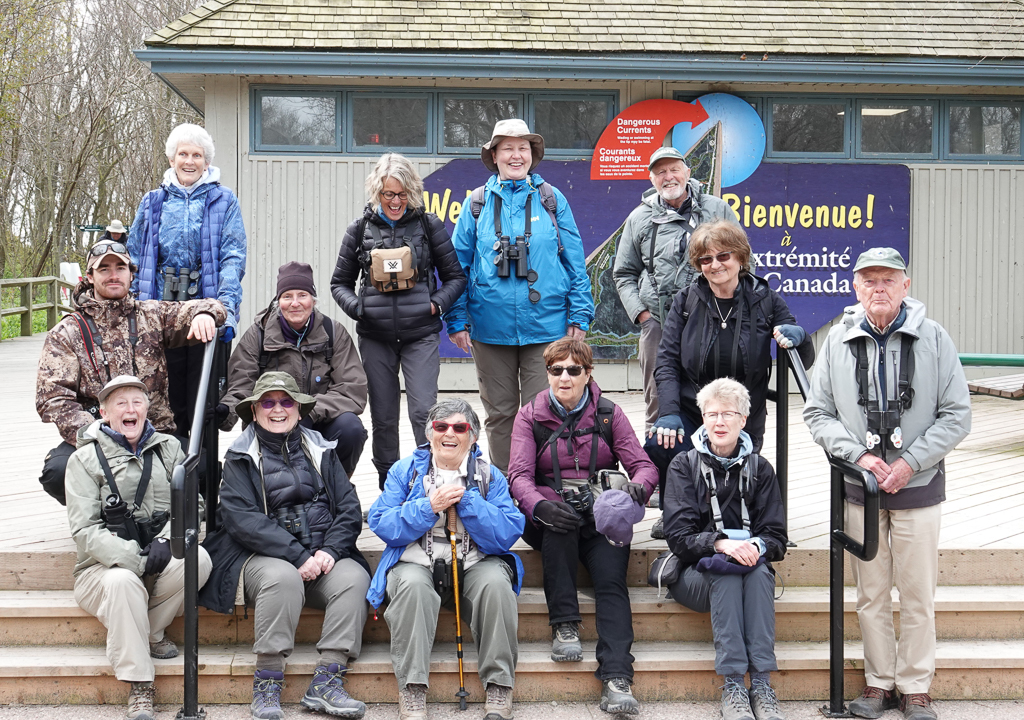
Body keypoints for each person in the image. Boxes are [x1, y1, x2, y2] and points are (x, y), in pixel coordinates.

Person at [804, 248, 971, 720]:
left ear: (905, 285)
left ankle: (916, 687)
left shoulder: (935, 338)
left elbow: (957, 414)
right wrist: (859, 457)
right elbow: (818, 412)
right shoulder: (837, 340)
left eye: (888, 280)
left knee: (918, 594)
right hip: (860, 488)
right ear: (855, 288)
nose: (879, 288)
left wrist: (910, 461)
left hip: (918, 487)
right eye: (869, 280)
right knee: (870, 594)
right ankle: (878, 683)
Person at [199, 372, 371, 720]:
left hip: (321, 552)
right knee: (284, 578)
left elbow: (350, 507)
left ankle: (328, 680)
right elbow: (242, 520)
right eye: (267, 402)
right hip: (260, 558)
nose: (277, 409)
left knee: (354, 577)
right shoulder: (239, 455)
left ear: (298, 408)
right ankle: (267, 680)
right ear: (254, 410)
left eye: (286, 401)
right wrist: (297, 556)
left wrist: (332, 550)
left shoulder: (321, 448)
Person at [507, 338, 657, 716]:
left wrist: (640, 487)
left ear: (588, 373)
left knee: (611, 582)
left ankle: (617, 677)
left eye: (574, 369)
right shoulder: (530, 415)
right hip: (550, 518)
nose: (565, 377)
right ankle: (565, 625)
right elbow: (518, 476)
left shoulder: (608, 413)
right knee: (560, 526)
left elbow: (644, 465)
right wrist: (540, 504)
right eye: (557, 370)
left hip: (601, 516)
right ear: (548, 374)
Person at [446, 119, 595, 474]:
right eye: (508, 148)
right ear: (494, 155)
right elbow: (456, 267)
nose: (516, 155)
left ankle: (542, 485)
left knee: (543, 410)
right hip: (489, 328)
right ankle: (505, 487)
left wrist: (580, 313)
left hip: (546, 328)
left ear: (532, 155)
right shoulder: (477, 204)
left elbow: (575, 260)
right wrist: (456, 319)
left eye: (523, 148)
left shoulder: (551, 200)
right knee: (500, 414)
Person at [648, 220, 814, 537]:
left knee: (731, 467)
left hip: (741, 413)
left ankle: (731, 516)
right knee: (662, 442)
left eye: (723, 256)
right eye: (706, 259)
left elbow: (802, 359)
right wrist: (668, 411)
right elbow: (666, 359)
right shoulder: (686, 301)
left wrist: (801, 337)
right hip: (691, 407)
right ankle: (675, 512)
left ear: (740, 257)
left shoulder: (766, 300)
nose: (715, 265)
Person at [366, 398, 525, 720]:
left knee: (496, 585)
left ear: (473, 437)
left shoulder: (489, 475)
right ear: (430, 434)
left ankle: (499, 686)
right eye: (441, 427)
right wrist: (428, 506)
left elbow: (508, 531)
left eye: (459, 427)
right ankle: (412, 689)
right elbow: (382, 523)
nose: (449, 433)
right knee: (411, 586)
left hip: (476, 562)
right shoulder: (406, 471)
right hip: (416, 562)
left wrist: (468, 502)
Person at [66, 375, 212, 720]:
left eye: (137, 402)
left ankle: (145, 632)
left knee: (199, 560)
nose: (129, 409)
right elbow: (85, 530)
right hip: (101, 570)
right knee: (123, 582)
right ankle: (140, 684)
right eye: (120, 403)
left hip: (161, 555)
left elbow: (195, 506)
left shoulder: (172, 449)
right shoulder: (84, 459)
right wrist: (134, 560)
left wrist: (166, 538)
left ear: (148, 408)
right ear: (103, 412)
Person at [36, 239, 225, 504]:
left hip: (154, 437)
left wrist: (204, 313)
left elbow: (213, 305)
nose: (114, 275)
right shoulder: (67, 333)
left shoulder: (152, 314)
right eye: (104, 269)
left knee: (209, 470)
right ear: (89, 276)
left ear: (131, 274)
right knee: (57, 473)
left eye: (120, 268)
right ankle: (106, 508)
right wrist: (98, 435)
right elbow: (52, 400)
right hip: (97, 440)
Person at [330, 153, 466, 487]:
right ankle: (388, 486)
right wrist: (358, 308)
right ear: (377, 191)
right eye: (389, 194)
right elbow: (338, 284)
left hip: (421, 334)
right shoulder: (359, 229)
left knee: (423, 412)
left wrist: (435, 305)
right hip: (375, 337)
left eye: (402, 194)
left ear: (412, 192)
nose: (395, 201)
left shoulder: (428, 226)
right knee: (384, 418)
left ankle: (427, 480)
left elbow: (455, 278)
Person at [662, 378, 788, 720]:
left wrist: (756, 546)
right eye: (711, 414)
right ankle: (734, 684)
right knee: (726, 575)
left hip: (749, 571)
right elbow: (679, 537)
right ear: (702, 418)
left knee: (760, 572)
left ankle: (761, 683)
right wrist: (721, 544)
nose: (719, 421)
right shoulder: (683, 466)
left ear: (743, 420)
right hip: (694, 576)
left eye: (728, 414)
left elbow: (776, 534)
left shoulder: (760, 468)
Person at [129, 122, 247, 435]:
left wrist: (225, 308)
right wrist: (131, 311)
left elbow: (232, 258)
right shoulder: (153, 202)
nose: (190, 161)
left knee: (203, 402)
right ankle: (167, 473)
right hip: (159, 313)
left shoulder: (224, 201)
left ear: (207, 162)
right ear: (172, 159)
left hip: (203, 311)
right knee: (162, 397)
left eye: (197, 155)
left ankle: (203, 476)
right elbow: (135, 259)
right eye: (183, 154)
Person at [612, 146, 739, 429]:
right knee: (659, 401)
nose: (668, 177)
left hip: (713, 320)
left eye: (674, 169)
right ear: (651, 179)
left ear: (687, 173)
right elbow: (623, 273)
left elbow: (743, 261)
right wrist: (643, 317)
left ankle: (713, 461)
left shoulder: (717, 209)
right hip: (658, 322)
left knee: (716, 397)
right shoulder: (638, 218)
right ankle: (658, 466)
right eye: (660, 172)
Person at [222, 261, 369, 475]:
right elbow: (241, 384)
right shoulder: (258, 335)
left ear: (313, 300)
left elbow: (352, 390)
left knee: (351, 428)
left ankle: (336, 488)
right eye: (287, 296)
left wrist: (307, 409)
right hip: (274, 420)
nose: (295, 303)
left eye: (302, 295)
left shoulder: (333, 333)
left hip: (319, 419)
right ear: (278, 301)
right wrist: (226, 411)